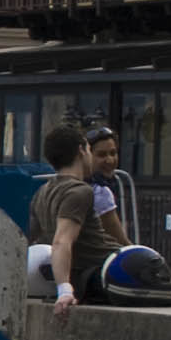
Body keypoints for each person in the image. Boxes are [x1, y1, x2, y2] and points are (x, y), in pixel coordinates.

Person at [32, 121, 133, 317]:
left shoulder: (42, 192)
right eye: (89, 148)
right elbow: (62, 241)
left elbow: (26, 238)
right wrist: (64, 290)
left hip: (82, 276)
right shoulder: (80, 191)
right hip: (106, 269)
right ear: (81, 151)